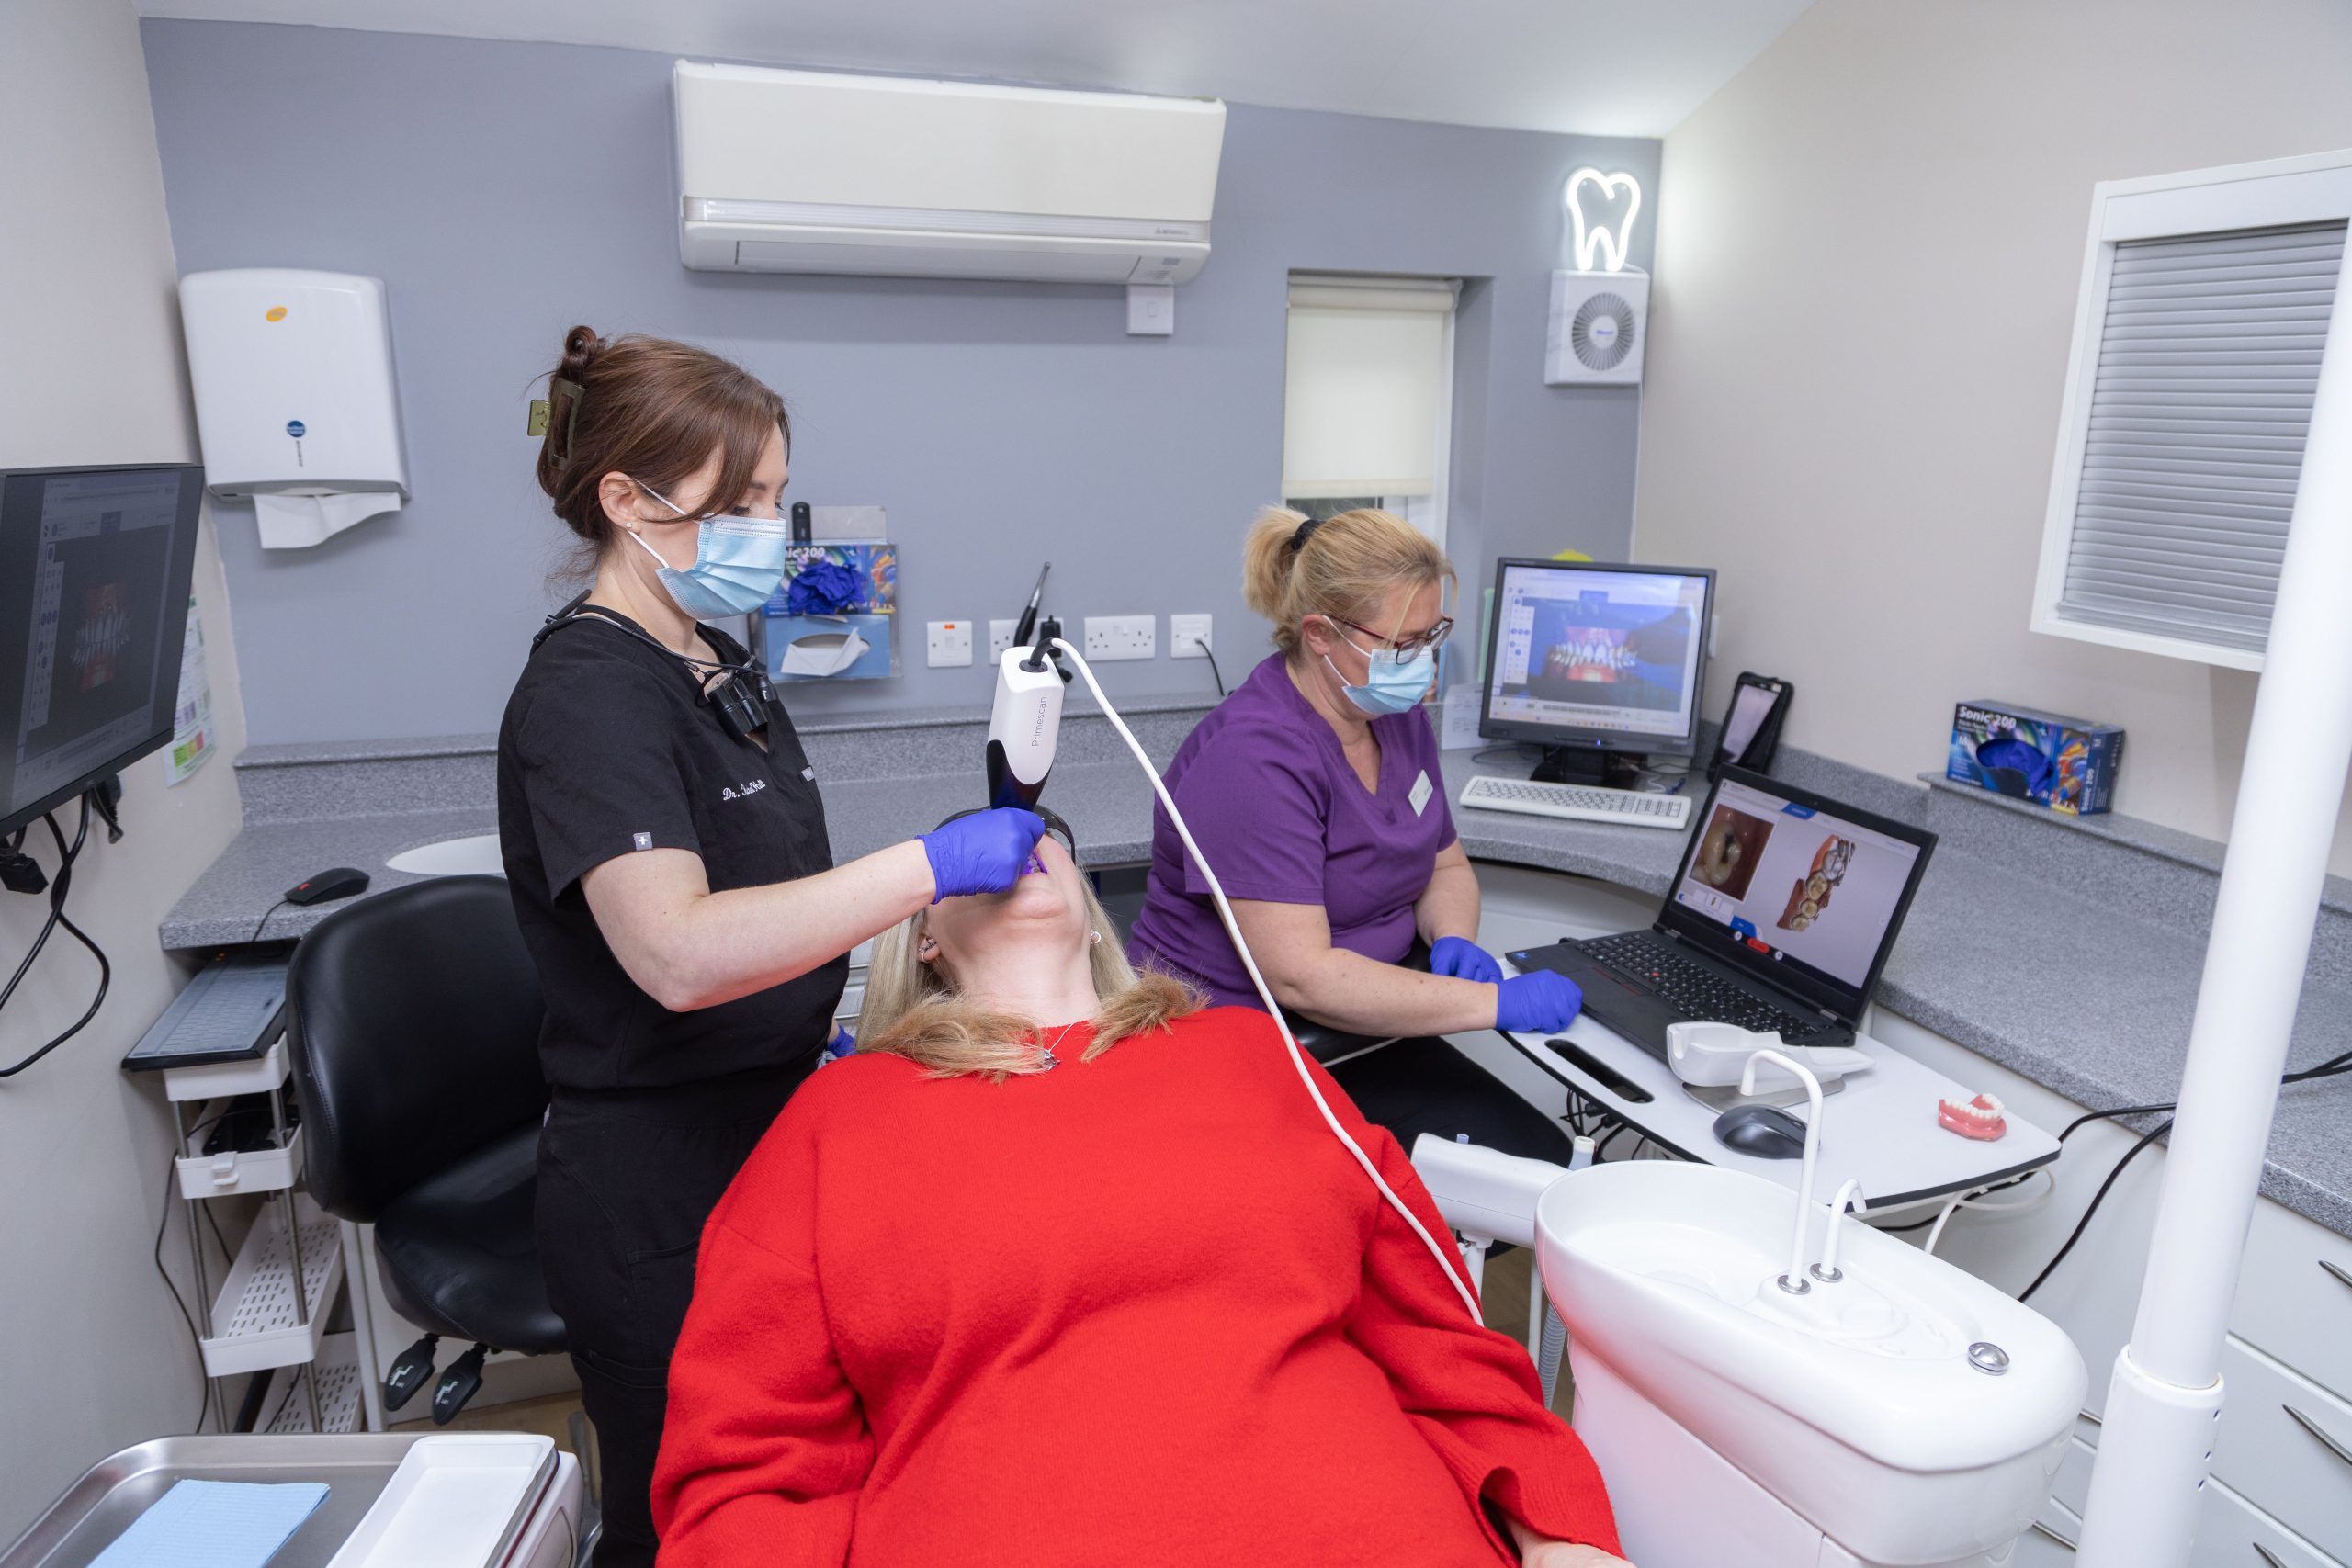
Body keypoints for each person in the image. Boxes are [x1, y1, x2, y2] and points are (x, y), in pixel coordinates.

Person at [650, 818, 1627, 1568]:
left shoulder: (1251, 1053)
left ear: (1092, 914)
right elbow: (747, 1463)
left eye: (1053, 846)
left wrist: (1555, 1532)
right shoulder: (842, 1117)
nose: (1026, 847)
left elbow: (1436, 1338)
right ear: (925, 938)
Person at [497, 326, 1045, 1567]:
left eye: (774, 497)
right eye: (738, 502)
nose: (768, 529)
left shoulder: (709, 658)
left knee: (797, 1493)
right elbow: (678, 953)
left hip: (766, 1130)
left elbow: (773, 891)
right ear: (626, 500)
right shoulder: (589, 694)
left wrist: (816, 1028)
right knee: (688, 1518)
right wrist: (928, 867)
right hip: (656, 1183)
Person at [1125, 506, 1583, 1160]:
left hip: (1364, 1033)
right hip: (1242, 1051)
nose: (1423, 663)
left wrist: (1453, 934)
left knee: (1538, 1154)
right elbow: (1304, 979)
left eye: (1432, 636)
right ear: (1320, 633)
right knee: (1485, 1176)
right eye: (1402, 644)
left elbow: (1445, 866)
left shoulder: (1394, 716)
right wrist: (1492, 1003)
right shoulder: (1253, 758)